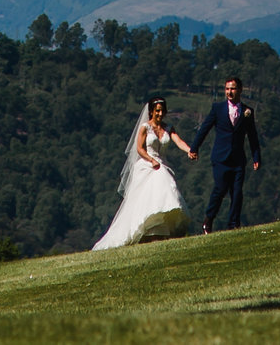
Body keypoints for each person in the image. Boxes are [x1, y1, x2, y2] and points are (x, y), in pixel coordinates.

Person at [91, 97, 193, 251]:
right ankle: (148, 231)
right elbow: (139, 148)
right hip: (148, 164)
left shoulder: (168, 128)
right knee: (150, 196)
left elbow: (178, 141)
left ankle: (161, 231)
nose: (159, 114)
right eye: (157, 111)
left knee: (165, 193)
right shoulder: (145, 128)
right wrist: (151, 160)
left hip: (162, 164)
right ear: (151, 112)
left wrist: (189, 150)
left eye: (162, 110)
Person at [190, 75, 265, 232]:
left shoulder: (247, 111)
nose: (229, 92)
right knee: (220, 188)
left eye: (232, 89)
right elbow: (204, 128)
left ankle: (233, 225)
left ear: (240, 90)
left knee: (237, 193)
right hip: (220, 158)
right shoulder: (217, 109)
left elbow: (252, 136)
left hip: (238, 159)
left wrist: (256, 156)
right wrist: (194, 147)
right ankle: (208, 219)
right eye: (227, 89)